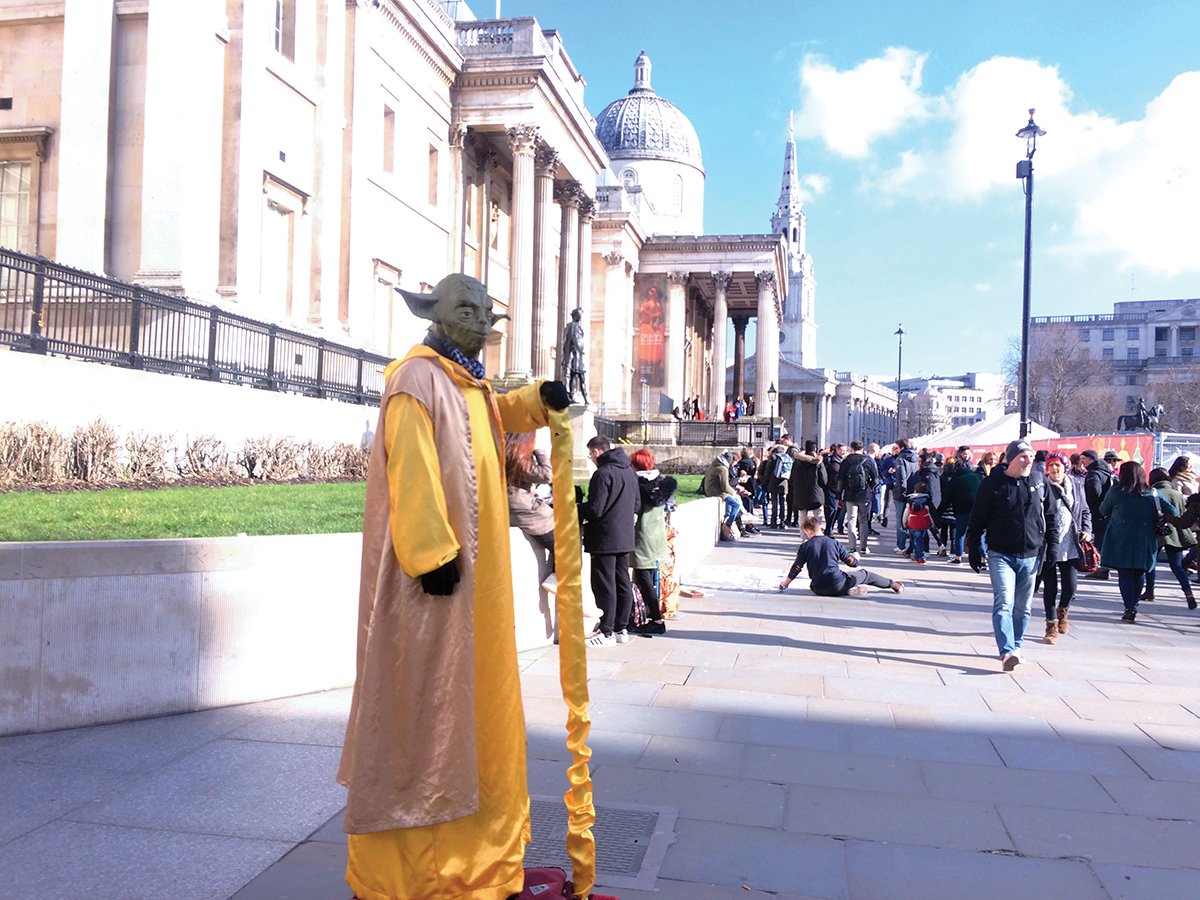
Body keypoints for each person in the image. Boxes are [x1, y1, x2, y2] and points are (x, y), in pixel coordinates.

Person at [338, 273, 571, 899]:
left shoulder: (463, 377)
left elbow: (492, 414)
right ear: (437, 315)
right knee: (434, 716)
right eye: (465, 311)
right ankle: (428, 872)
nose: (478, 322)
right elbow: (410, 465)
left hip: (482, 590)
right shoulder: (415, 380)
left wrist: (540, 399)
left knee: (481, 712)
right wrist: (430, 554)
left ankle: (485, 855)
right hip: (438, 591)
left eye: (484, 313)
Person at [966, 438, 1046, 672]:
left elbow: (1046, 514)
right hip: (1001, 553)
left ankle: (1017, 645)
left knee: (1023, 607)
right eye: (1023, 456)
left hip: (1031, 553)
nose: (1029, 460)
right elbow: (978, 517)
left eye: (1031, 456)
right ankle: (1007, 651)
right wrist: (974, 548)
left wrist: (1047, 548)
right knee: (1005, 602)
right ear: (1011, 459)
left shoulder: (1037, 480)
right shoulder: (993, 483)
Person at [579, 435, 641, 646]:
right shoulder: (629, 472)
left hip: (605, 537)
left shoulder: (603, 474)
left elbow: (595, 509)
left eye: (590, 454)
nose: (591, 458)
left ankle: (606, 631)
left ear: (597, 451)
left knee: (605, 585)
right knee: (622, 582)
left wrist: (576, 508)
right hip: (624, 536)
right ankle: (621, 628)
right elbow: (636, 504)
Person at [1100, 460, 1176, 624]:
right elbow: (1172, 511)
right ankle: (1134, 604)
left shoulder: (1116, 492)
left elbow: (1103, 510)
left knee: (1125, 573)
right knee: (1139, 572)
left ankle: (1129, 607)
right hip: (1145, 538)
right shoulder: (1153, 494)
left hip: (1120, 537)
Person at [778, 516, 903, 596]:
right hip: (837, 583)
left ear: (809, 531)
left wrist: (786, 583)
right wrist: (856, 558)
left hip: (817, 588)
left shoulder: (805, 546)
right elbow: (852, 563)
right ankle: (894, 585)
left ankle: (848, 590)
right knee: (865, 574)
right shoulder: (834, 543)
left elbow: (797, 567)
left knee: (843, 580)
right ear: (819, 528)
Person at [1040, 453, 1092, 642]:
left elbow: (1085, 510)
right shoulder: (1043, 486)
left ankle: (1063, 610)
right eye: (1051, 466)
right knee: (1050, 587)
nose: (1054, 469)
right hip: (1049, 544)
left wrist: (1087, 529)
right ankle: (1051, 625)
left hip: (1070, 543)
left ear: (1065, 467)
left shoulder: (1076, 485)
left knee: (1071, 586)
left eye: (1058, 466)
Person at [628, 449, 677, 635]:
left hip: (642, 536)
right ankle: (650, 616)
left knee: (643, 578)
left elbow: (634, 511)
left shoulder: (639, 486)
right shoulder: (659, 484)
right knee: (646, 577)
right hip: (657, 536)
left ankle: (656, 620)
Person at [504, 431, 555, 587]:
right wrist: (540, 451)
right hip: (525, 512)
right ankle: (555, 580)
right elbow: (546, 475)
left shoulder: (503, 454)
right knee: (566, 546)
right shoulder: (519, 460)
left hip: (513, 508)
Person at [1145, 467, 1194, 608]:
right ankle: (1188, 592)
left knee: (1151, 564)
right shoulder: (1177, 493)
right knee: (1177, 566)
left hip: (1158, 531)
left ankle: (1150, 591)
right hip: (1175, 533)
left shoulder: (1154, 492)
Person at [838, 440, 879, 555]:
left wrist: (838, 496)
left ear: (851, 448)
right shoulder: (868, 460)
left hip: (850, 495)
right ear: (862, 448)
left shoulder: (846, 461)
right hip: (864, 494)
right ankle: (864, 547)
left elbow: (840, 480)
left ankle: (852, 547)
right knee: (863, 520)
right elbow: (876, 479)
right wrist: (871, 487)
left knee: (851, 520)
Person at [1082, 449, 1117, 580]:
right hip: (1105, 511)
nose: (1082, 462)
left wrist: (1086, 501)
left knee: (1098, 541)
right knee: (1102, 540)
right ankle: (1103, 567)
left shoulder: (1094, 473)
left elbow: (1094, 492)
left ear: (1091, 459)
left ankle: (1100, 567)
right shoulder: (1105, 472)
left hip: (1096, 511)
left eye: (1084, 459)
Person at [704, 450, 751, 539]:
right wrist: (733, 492)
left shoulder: (714, 465)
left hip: (710, 490)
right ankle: (728, 525)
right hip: (717, 492)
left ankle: (728, 518)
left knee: (730, 504)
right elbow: (725, 486)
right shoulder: (723, 469)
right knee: (736, 505)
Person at [945, 453, 981, 565]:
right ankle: (983, 558)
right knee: (978, 534)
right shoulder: (976, 478)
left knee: (960, 534)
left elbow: (948, 497)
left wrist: (938, 512)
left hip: (962, 510)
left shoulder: (956, 480)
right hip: (975, 510)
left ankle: (958, 556)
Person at [891, 439, 920, 553]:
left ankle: (901, 545)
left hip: (902, 494)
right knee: (912, 519)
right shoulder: (916, 458)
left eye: (897, 447)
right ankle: (913, 545)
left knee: (900, 520)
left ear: (901, 447)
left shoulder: (901, 459)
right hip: (914, 492)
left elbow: (901, 478)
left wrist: (901, 492)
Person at [561, 307, 589, 404]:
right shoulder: (571, 326)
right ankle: (570, 394)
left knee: (580, 376)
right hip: (574, 354)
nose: (580, 317)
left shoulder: (578, 327)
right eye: (579, 315)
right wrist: (566, 357)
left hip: (579, 355)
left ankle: (585, 396)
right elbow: (568, 342)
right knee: (573, 375)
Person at [903, 481, 934, 564]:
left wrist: (904, 523)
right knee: (919, 539)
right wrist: (932, 523)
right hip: (924, 523)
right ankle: (917, 556)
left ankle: (921, 557)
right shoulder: (927, 501)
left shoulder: (910, 500)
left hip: (913, 523)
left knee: (917, 540)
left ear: (915, 490)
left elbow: (906, 513)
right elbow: (930, 514)